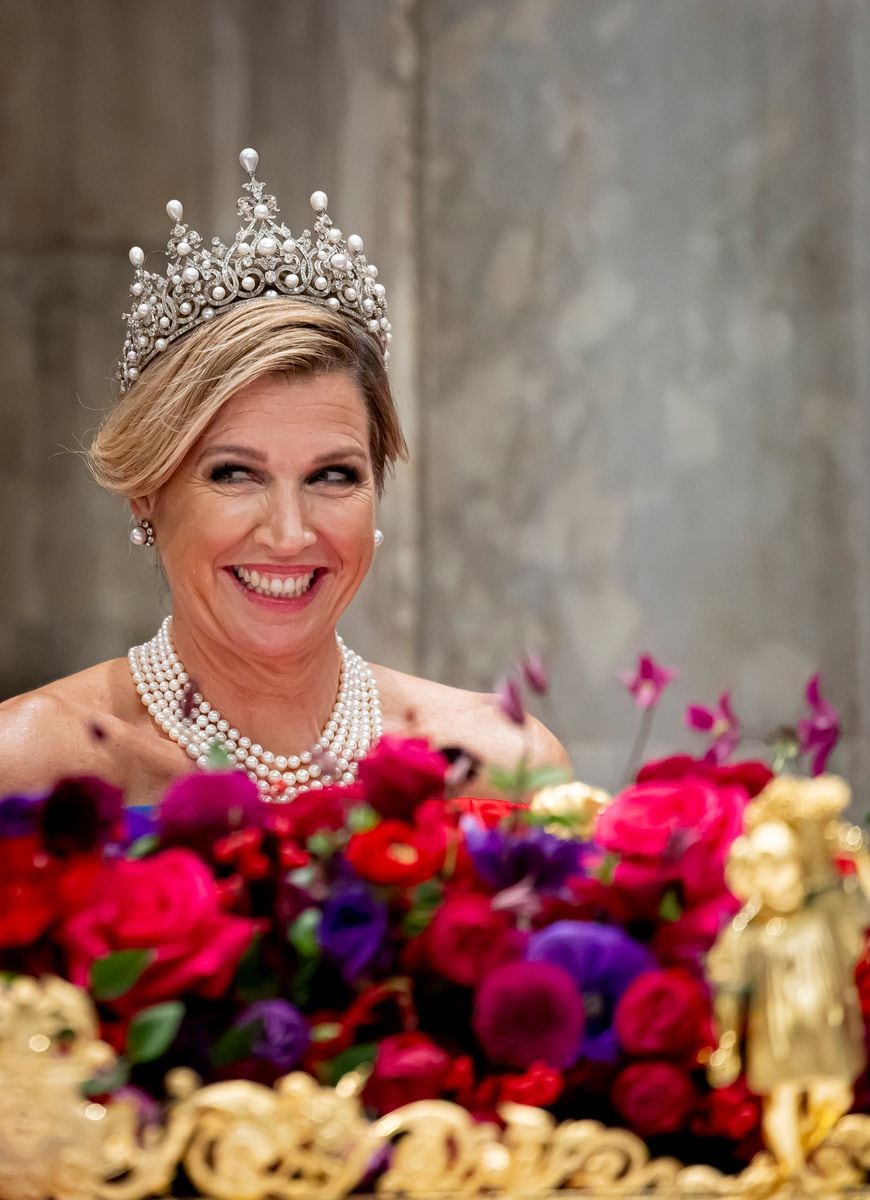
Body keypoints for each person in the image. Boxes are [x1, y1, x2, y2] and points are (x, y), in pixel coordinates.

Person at [0, 149, 569, 805]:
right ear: (146, 491)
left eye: (332, 476)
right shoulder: (32, 769)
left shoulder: (500, 768)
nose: (290, 534)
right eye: (236, 474)